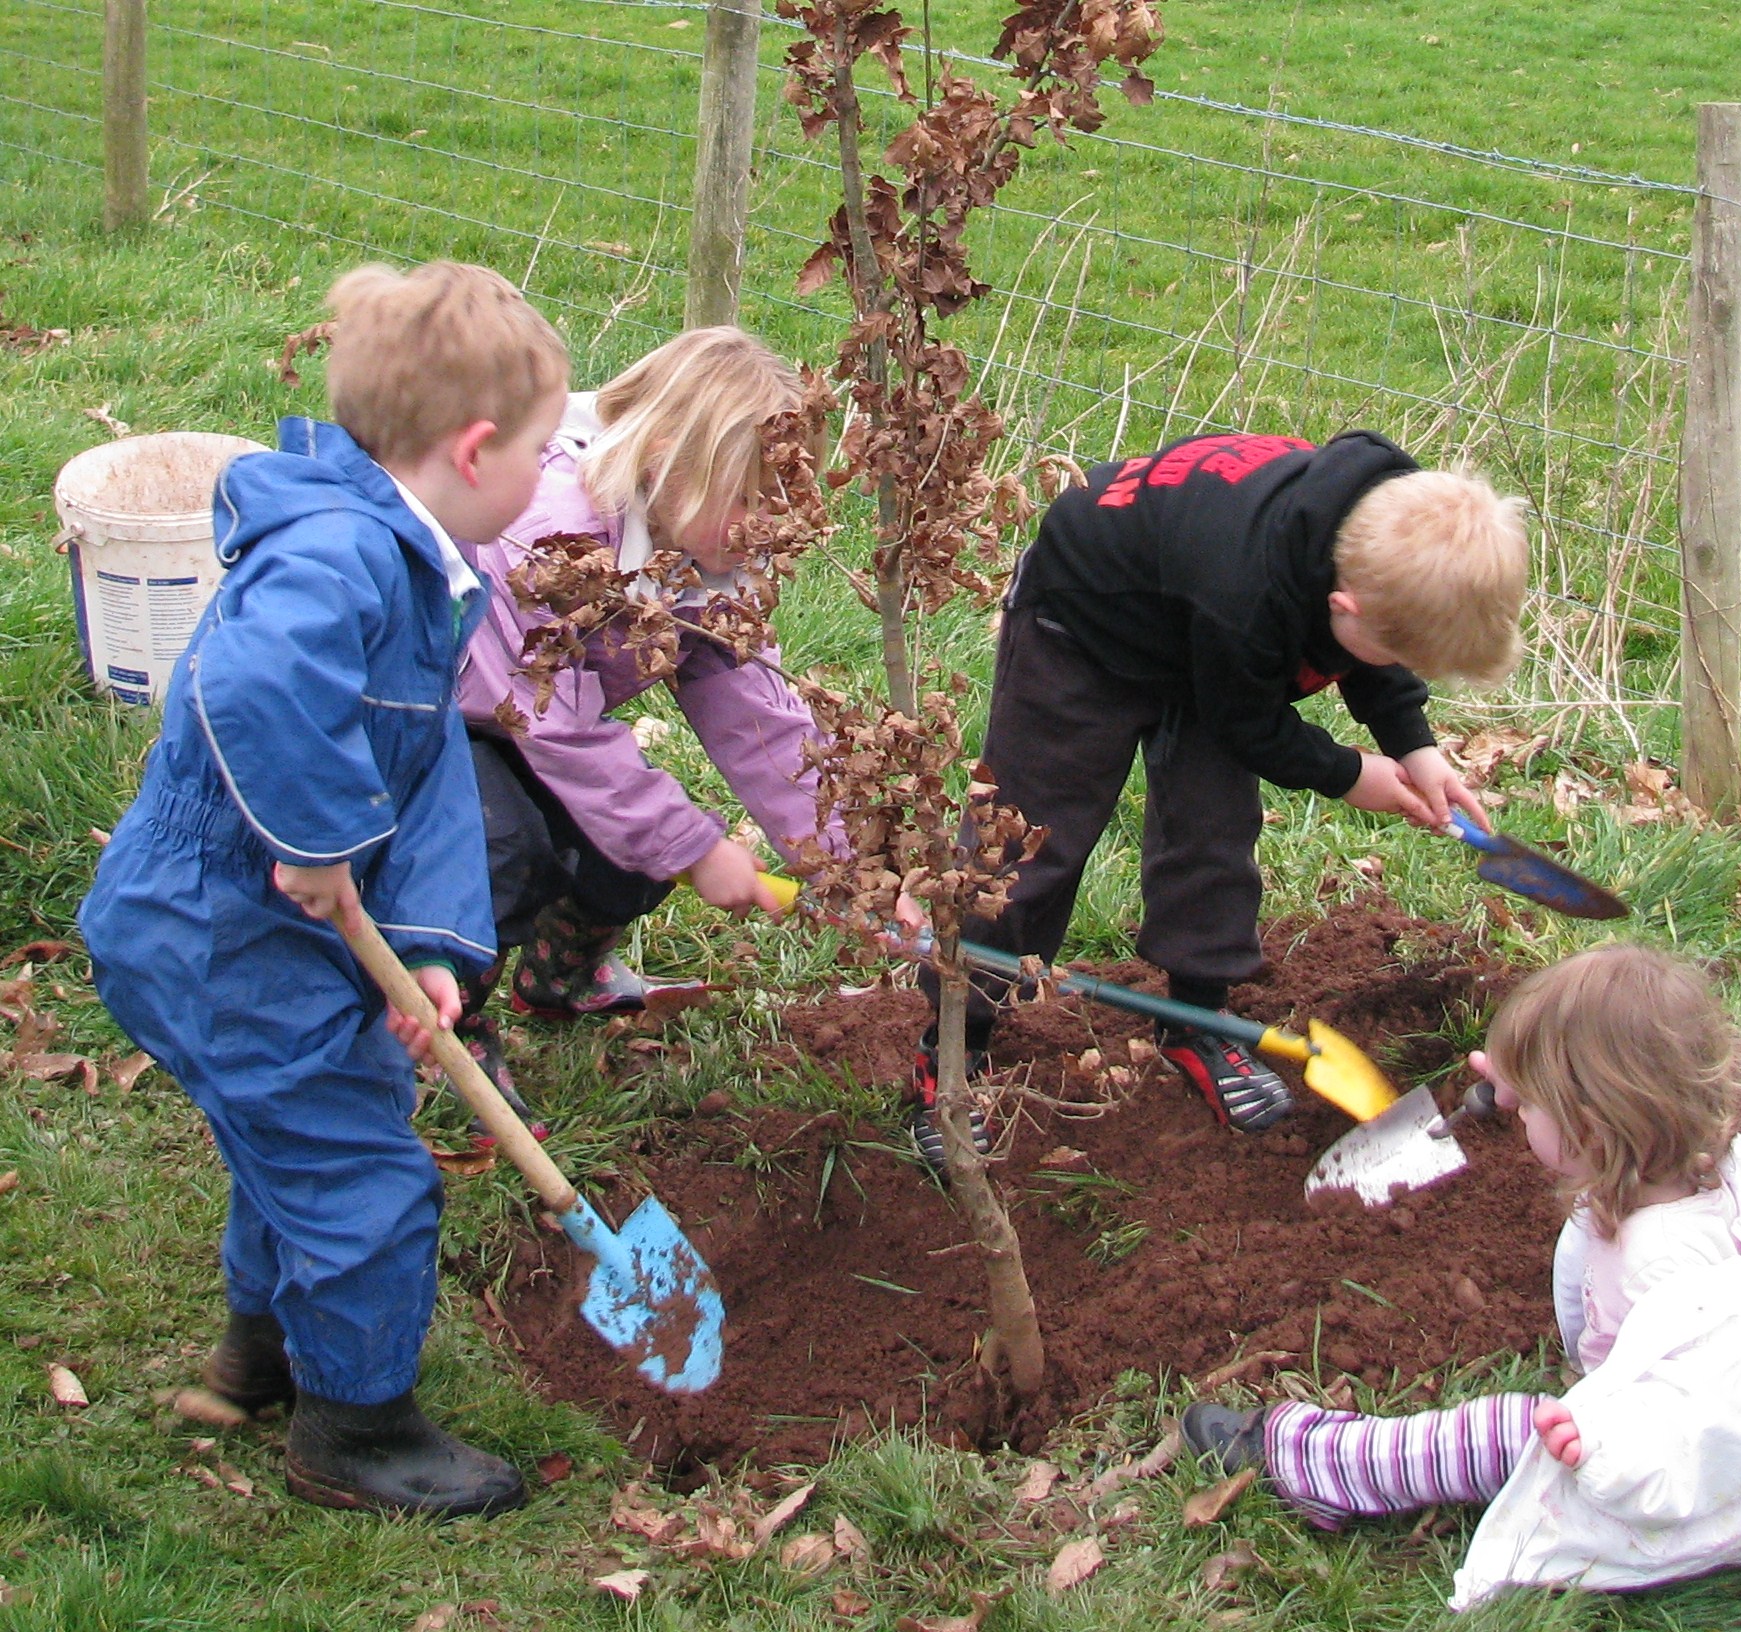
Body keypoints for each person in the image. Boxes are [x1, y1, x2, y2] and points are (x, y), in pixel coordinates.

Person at [80, 261, 570, 1518]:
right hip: (212, 923)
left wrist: (437, 954)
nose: (545, 471)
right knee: (362, 1176)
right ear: (472, 450)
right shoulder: (340, 555)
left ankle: (261, 1362)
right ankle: (355, 1431)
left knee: (307, 1131)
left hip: (262, 922)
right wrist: (311, 836)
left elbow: (429, 777)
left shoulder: (417, 564)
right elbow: (250, 690)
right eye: (539, 447)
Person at [1180, 944, 1741, 1610]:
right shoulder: (1680, 1167)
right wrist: (1524, 1075)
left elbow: (1710, 1423)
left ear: (1589, 1127)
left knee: (1502, 1431)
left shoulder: (1677, 1280)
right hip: (1705, 1431)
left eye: (1529, 1103)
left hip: (1714, 1487)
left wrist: (1602, 1444)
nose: (1510, 1112)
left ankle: (1324, 1463)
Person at [910, 430, 1527, 1168]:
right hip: (1082, 622)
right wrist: (1349, 775)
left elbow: (1375, 646)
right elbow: (1248, 724)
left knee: (1212, 830)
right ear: (1342, 604)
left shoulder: (1386, 534)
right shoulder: (1247, 588)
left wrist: (1413, 744)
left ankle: (1196, 1019)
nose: (1393, 666)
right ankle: (953, 1047)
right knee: (1026, 845)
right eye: (1391, 652)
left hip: (1200, 624)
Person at [454, 327, 835, 1092]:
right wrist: (694, 847)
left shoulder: (710, 559)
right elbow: (555, 726)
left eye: (785, 500)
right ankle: (443, 1017)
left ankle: (560, 976)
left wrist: (839, 855)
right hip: (439, 714)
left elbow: (754, 712)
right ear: (664, 459)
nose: (768, 525)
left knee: (632, 844)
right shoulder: (549, 535)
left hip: (542, 722)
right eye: (748, 500)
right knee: (501, 853)